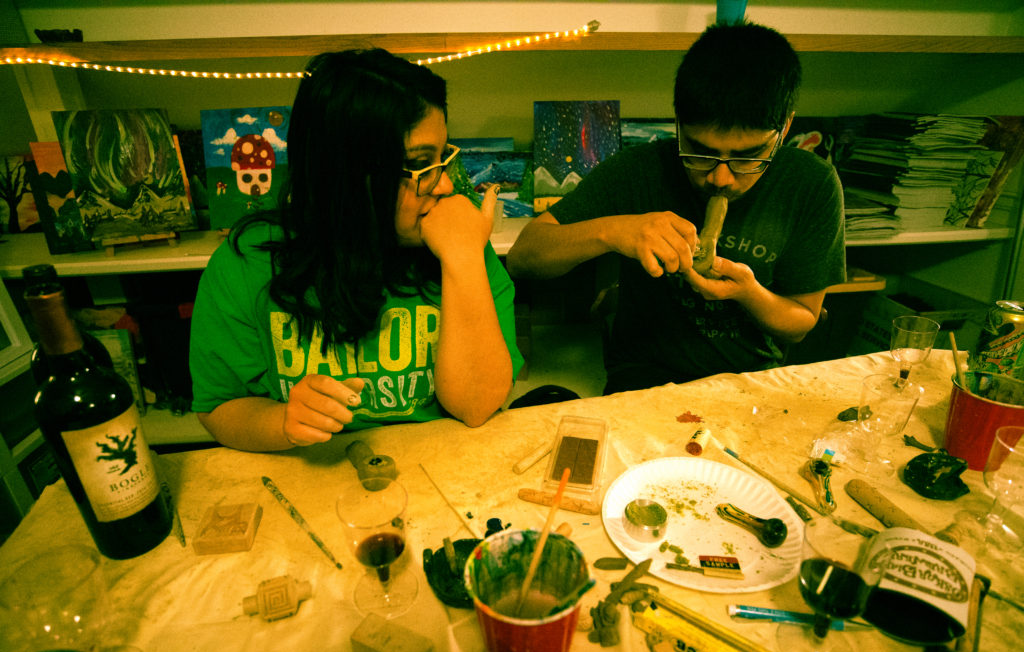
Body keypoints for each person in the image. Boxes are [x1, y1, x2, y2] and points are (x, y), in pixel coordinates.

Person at [190, 49, 524, 451]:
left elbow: (477, 406)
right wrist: (282, 422)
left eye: (442, 158)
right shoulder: (248, 261)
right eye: (420, 163)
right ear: (346, 177)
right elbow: (219, 406)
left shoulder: (458, 240)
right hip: (316, 477)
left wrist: (465, 258)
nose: (445, 186)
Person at [507, 21, 845, 394]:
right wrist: (614, 231)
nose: (720, 178)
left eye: (749, 156)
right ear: (678, 122)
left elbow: (802, 321)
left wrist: (747, 292)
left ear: (784, 127)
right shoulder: (640, 167)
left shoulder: (811, 183)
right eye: (700, 151)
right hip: (642, 377)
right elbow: (525, 256)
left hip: (751, 379)